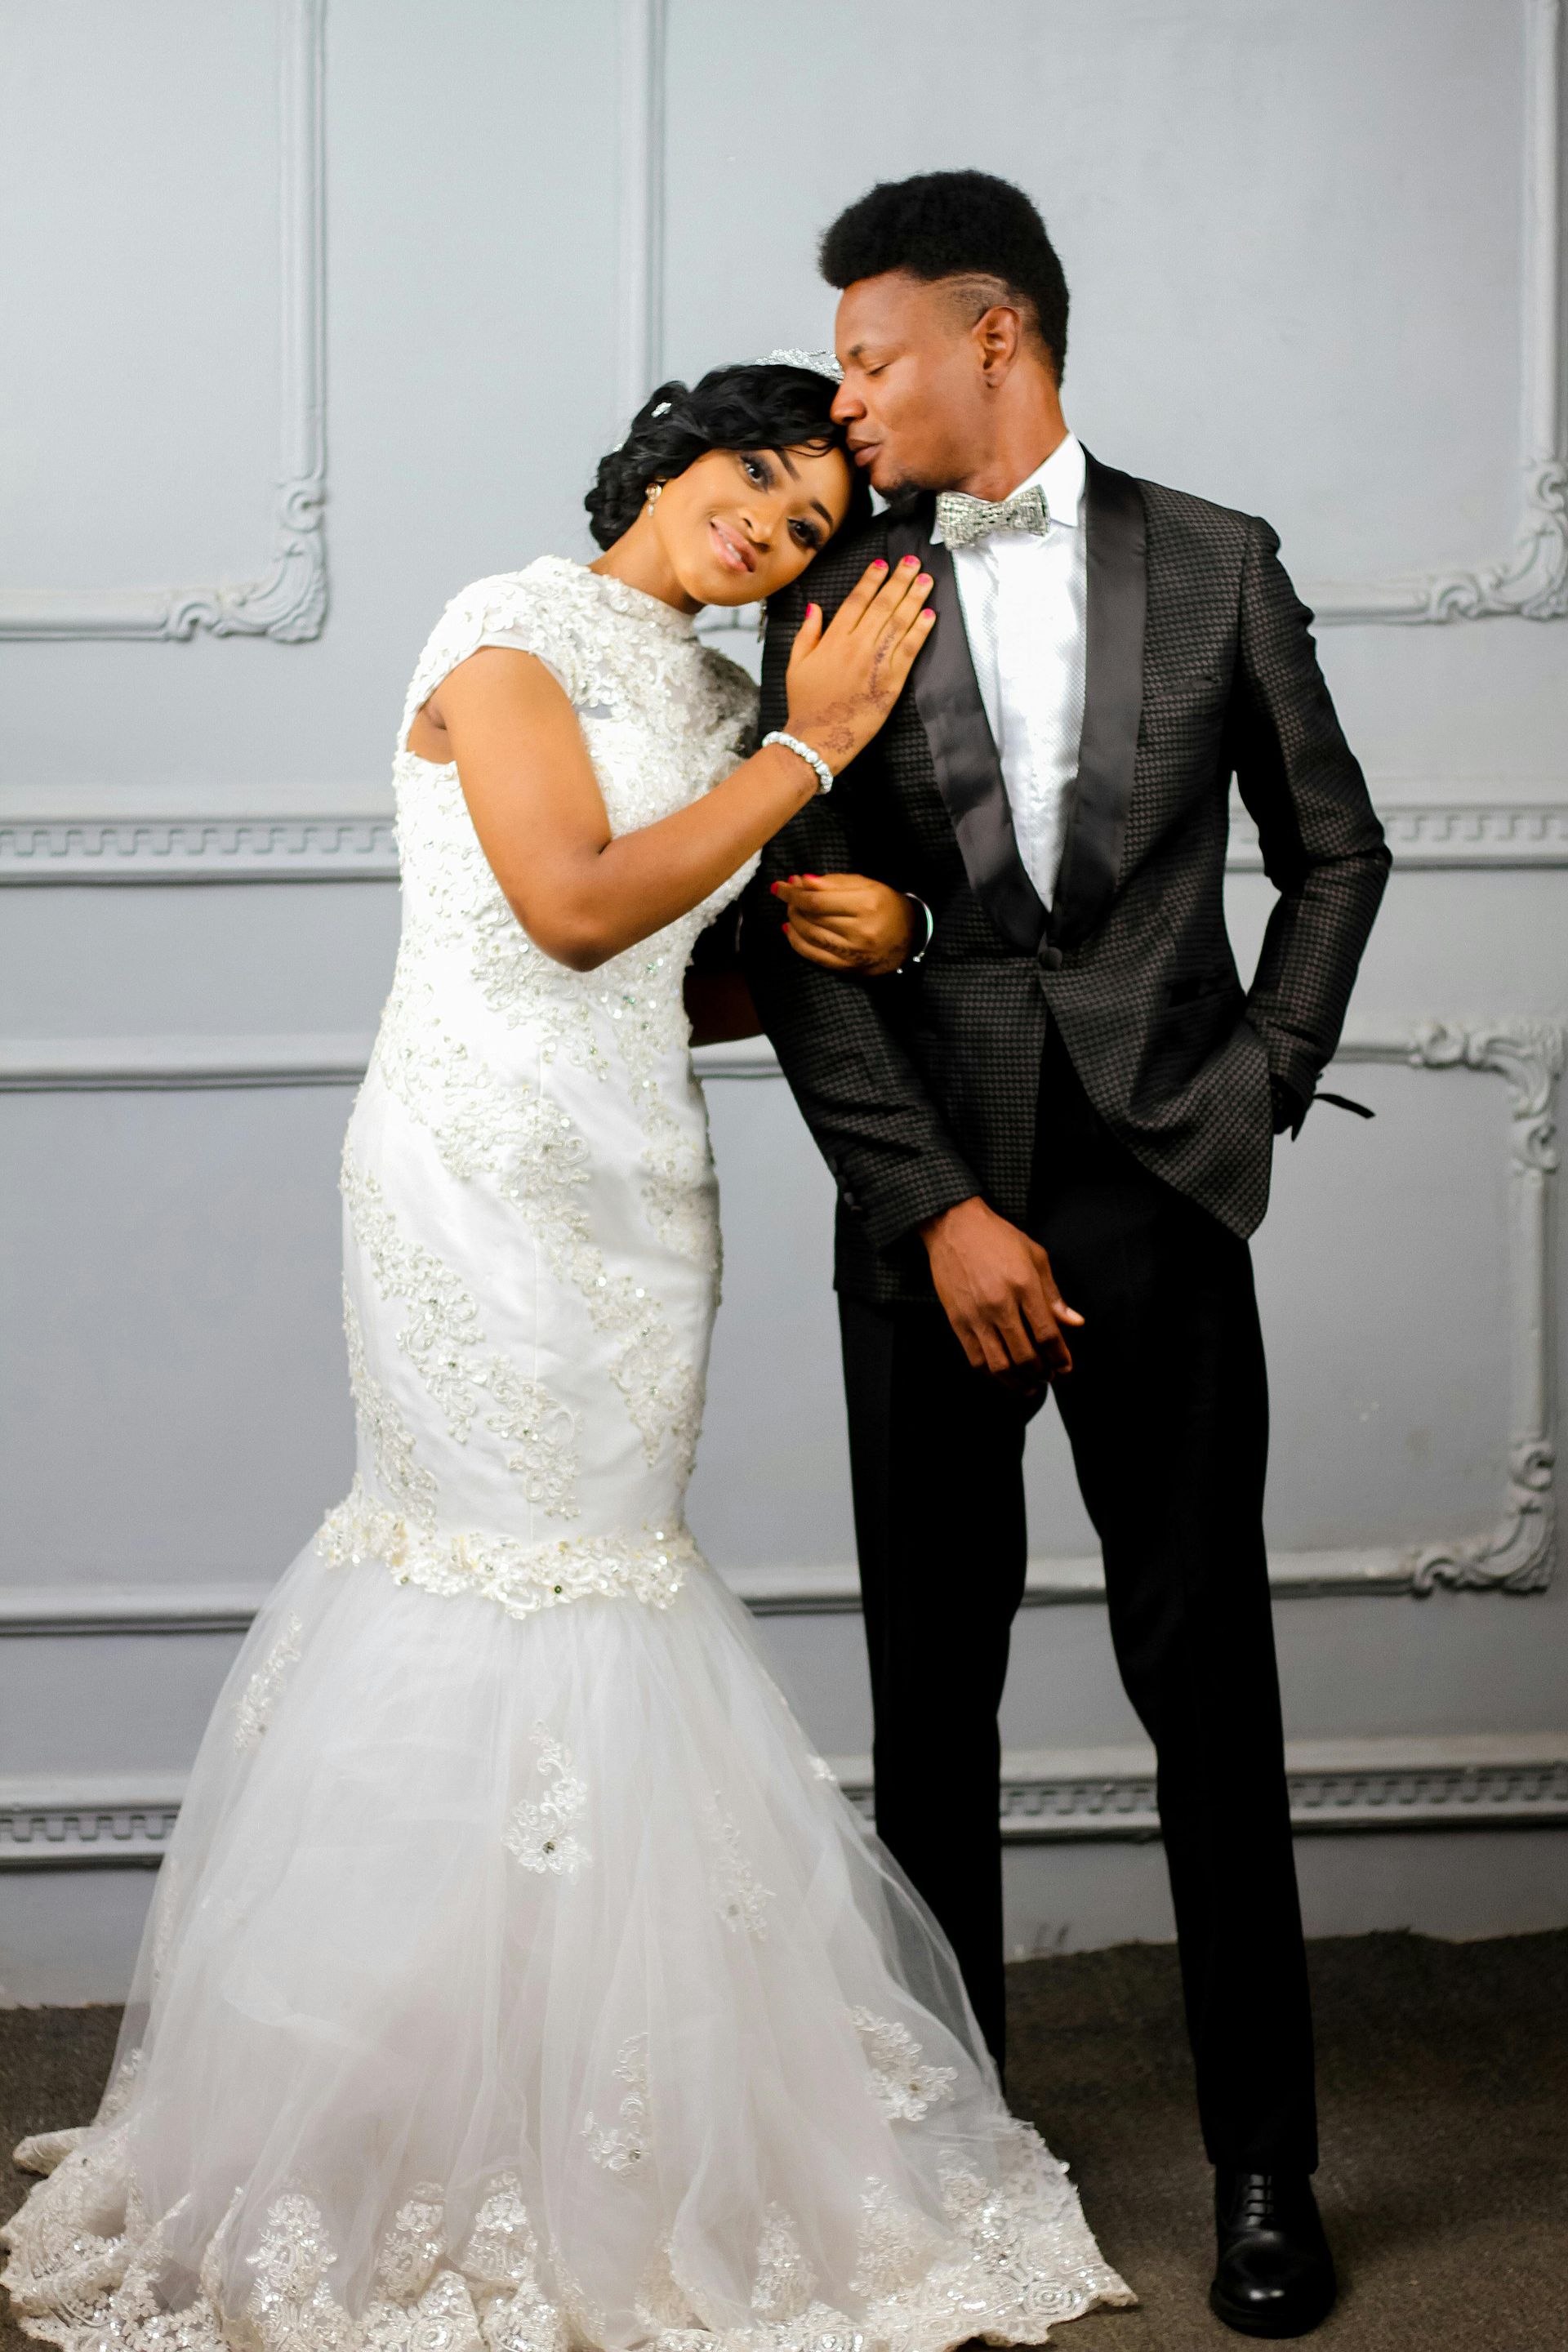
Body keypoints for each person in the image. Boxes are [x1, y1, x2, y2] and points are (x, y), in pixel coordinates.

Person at [2, 358, 1134, 2352]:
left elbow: (692, 974)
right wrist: (816, 745)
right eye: (754, 482)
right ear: (673, 456)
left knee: (606, 1579)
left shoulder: (719, 700)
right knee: (495, 1581)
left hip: (637, 1189)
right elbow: (564, 904)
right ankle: (411, 2117)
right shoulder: (503, 626)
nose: (765, 531)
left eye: (801, 529)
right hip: (469, 1180)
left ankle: (593, 2111)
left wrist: (858, 931)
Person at [742, 176, 1392, 2341]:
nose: (843, 398)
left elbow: (1334, 848)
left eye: (870, 356)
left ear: (993, 335)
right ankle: (958, 2171)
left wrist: (1251, 1098)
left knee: (1213, 1685)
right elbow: (803, 937)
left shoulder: (1219, 561)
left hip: (1156, 1200)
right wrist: (936, 1209)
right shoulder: (834, 586)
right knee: (934, 1698)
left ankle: (1267, 2171)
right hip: (929, 1219)